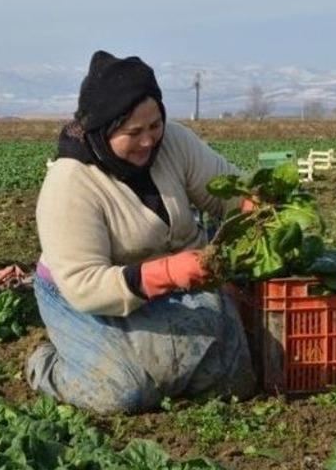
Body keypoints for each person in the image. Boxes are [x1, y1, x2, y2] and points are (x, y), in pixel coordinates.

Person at [26, 51, 256, 415]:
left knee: (233, 382)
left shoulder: (175, 143)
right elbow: (84, 283)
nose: (149, 141)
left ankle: (153, 357)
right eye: (133, 132)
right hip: (84, 294)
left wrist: (255, 204)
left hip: (175, 286)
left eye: (155, 125)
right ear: (103, 130)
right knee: (121, 392)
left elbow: (229, 194)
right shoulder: (71, 181)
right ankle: (47, 365)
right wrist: (163, 274)